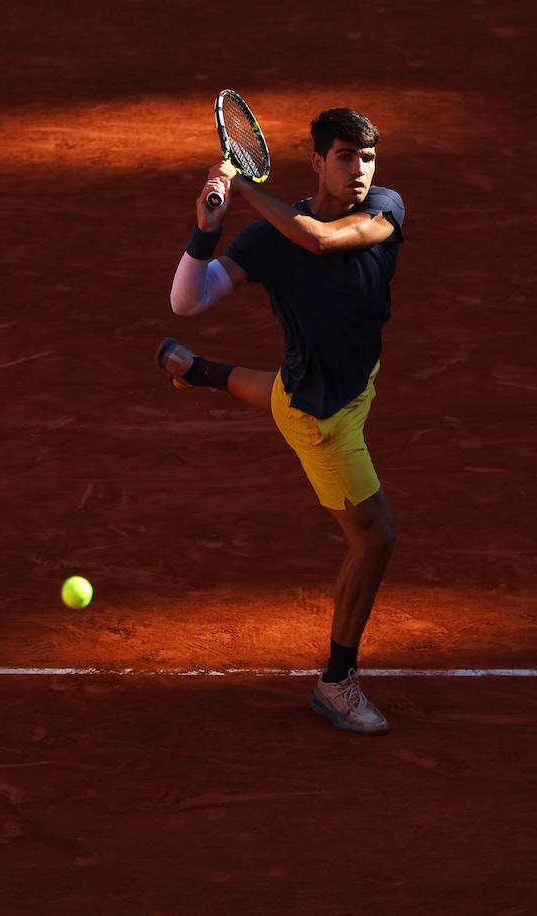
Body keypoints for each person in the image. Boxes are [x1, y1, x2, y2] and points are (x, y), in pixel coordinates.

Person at [157, 108, 405, 735]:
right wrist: (206, 231)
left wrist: (242, 188)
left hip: (351, 382)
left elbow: (323, 242)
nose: (360, 170)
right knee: (373, 538)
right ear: (317, 162)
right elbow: (188, 300)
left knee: (285, 396)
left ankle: (199, 372)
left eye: (367, 158)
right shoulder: (268, 240)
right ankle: (336, 684)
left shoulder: (385, 208)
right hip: (326, 415)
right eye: (345, 157)